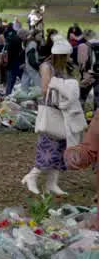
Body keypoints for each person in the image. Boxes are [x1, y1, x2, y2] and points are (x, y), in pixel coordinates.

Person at [24, 40, 86, 196]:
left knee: (60, 149)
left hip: (61, 112)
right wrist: (63, 88)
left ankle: (52, 184)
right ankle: (32, 177)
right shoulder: (47, 67)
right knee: (48, 149)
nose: (67, 59)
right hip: (52, 111)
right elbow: (45, 89)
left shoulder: (60, 67)